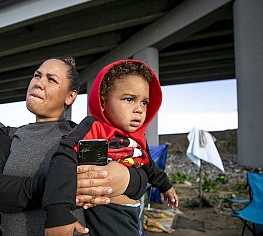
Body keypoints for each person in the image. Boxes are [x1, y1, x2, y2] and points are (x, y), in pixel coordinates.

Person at [0, 57, 149, 235]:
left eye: (51, 79)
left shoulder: (84, 136)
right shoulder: (9, 135)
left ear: (70, 97)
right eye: (37, 76)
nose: (38, 83)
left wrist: (127, 179)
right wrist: (60, 188)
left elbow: (134, 171)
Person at [43, 59, 179, 236]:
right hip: (105, 212)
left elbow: (149, 166)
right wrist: (58, 213)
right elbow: (63, 157)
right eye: (129, 99)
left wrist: (166, 187)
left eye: (144, 102)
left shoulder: (138, 139)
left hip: (131, 212)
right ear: (103, 102)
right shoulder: (95, 128)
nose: (139, 109)